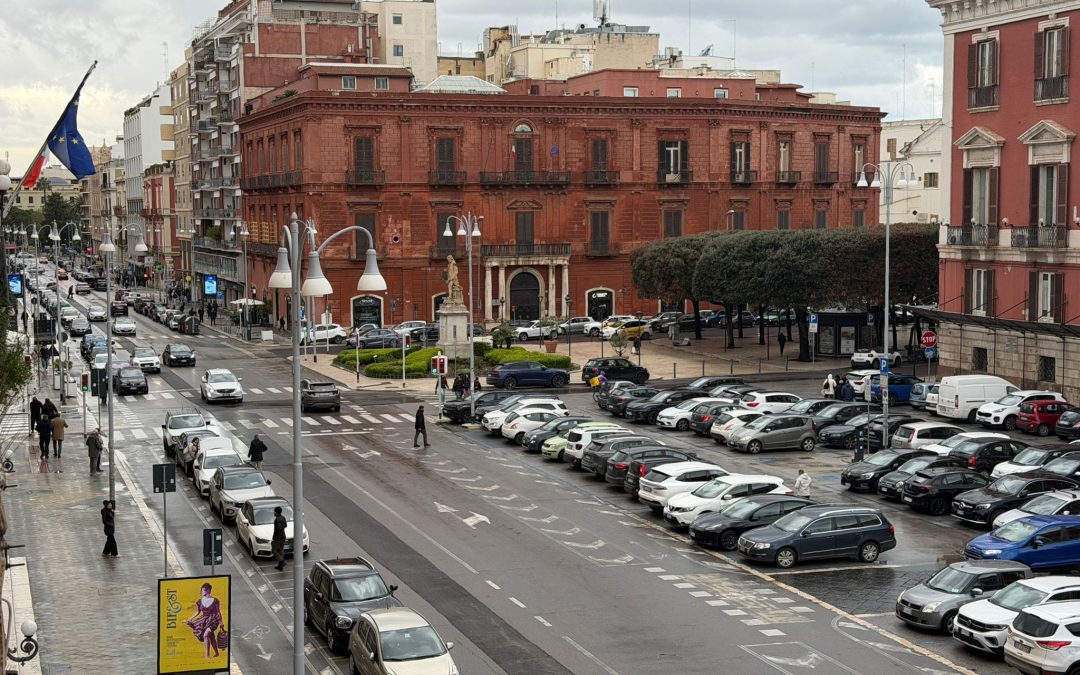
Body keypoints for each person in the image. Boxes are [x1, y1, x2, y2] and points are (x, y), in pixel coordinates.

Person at [183, 583, 223, 658]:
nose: (201, 592)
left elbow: (218, 612)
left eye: (203, 590)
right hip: (204, 620)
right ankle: (217, 653)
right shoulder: (199, 601)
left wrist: (221, 622)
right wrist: (190, 618)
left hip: (213, 620)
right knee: (211, 637)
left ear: (208, 590)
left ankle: (207, 655)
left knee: (206, 635)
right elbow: (198, 612)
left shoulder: (215, 601)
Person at [272, 506, 287, 570]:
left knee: (274, 550)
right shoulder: (283, 517)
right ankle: (280, 566)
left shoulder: (277, 520)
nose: (274, 513)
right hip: (283, 536)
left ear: (276, 512)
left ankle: (282, 561)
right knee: (280, 550)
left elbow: (278, 529)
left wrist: (274, 537)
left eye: (274, 512)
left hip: (278, 537)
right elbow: (285, 525)